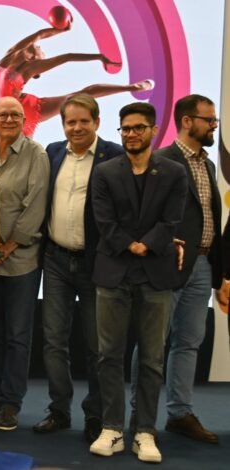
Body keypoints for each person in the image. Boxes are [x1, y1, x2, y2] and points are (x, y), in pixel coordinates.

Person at [89, 102, 187, 464]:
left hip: (156, 273)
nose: (131, 134)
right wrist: (129, 244)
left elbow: (172, 218)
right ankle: (112, 429)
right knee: (108, 355)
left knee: (151, 359)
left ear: (153, 130)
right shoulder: (105, 171)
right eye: (125, 128)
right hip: (113, 271)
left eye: (138, 128)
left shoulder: (174, 172)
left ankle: (145, 431)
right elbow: (103, 218)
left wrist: (148, 244)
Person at [130, 95, 221, 444]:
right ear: (186, 121)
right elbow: (145, 216)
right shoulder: (161, 160)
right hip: (167, 265)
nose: (213, 126)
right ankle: (142, 416)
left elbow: (209, 216)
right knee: (153, 342)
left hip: (202, 263)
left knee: (189, 342)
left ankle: (179, 413)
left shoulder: (207, 165)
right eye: (208, 120)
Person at [34, 94, 123, 443]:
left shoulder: (113, 156)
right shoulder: (53, 152)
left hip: (94, 263)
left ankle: (96, 414)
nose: (77, 127)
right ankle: (59, 410)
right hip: (55, 258)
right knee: (53, 341)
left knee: (96, 345)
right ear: (63, 125)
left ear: (97, 122)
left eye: (84, 121)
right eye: (70, 121)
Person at [0, 96, 49, 432]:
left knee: (18, 334)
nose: (9, 119)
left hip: (20, 260)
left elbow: (34, 208)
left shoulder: (38, 155)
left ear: (24, 121)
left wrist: (1, 252)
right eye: (2, 114)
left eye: (15, 115)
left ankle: (11, 403)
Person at [0, 24, 153, 137]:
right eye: (43, 50)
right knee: (21, 157)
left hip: (22, 108)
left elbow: (67, 56)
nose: (42, 50)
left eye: (43, 53)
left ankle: (132, 87)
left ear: (36, 59)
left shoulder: (28, 67)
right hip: (17, 110)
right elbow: (39, 35)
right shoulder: (12, 55)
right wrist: (60, 29)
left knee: (78, 96)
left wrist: (98, 57)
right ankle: (132, 87)